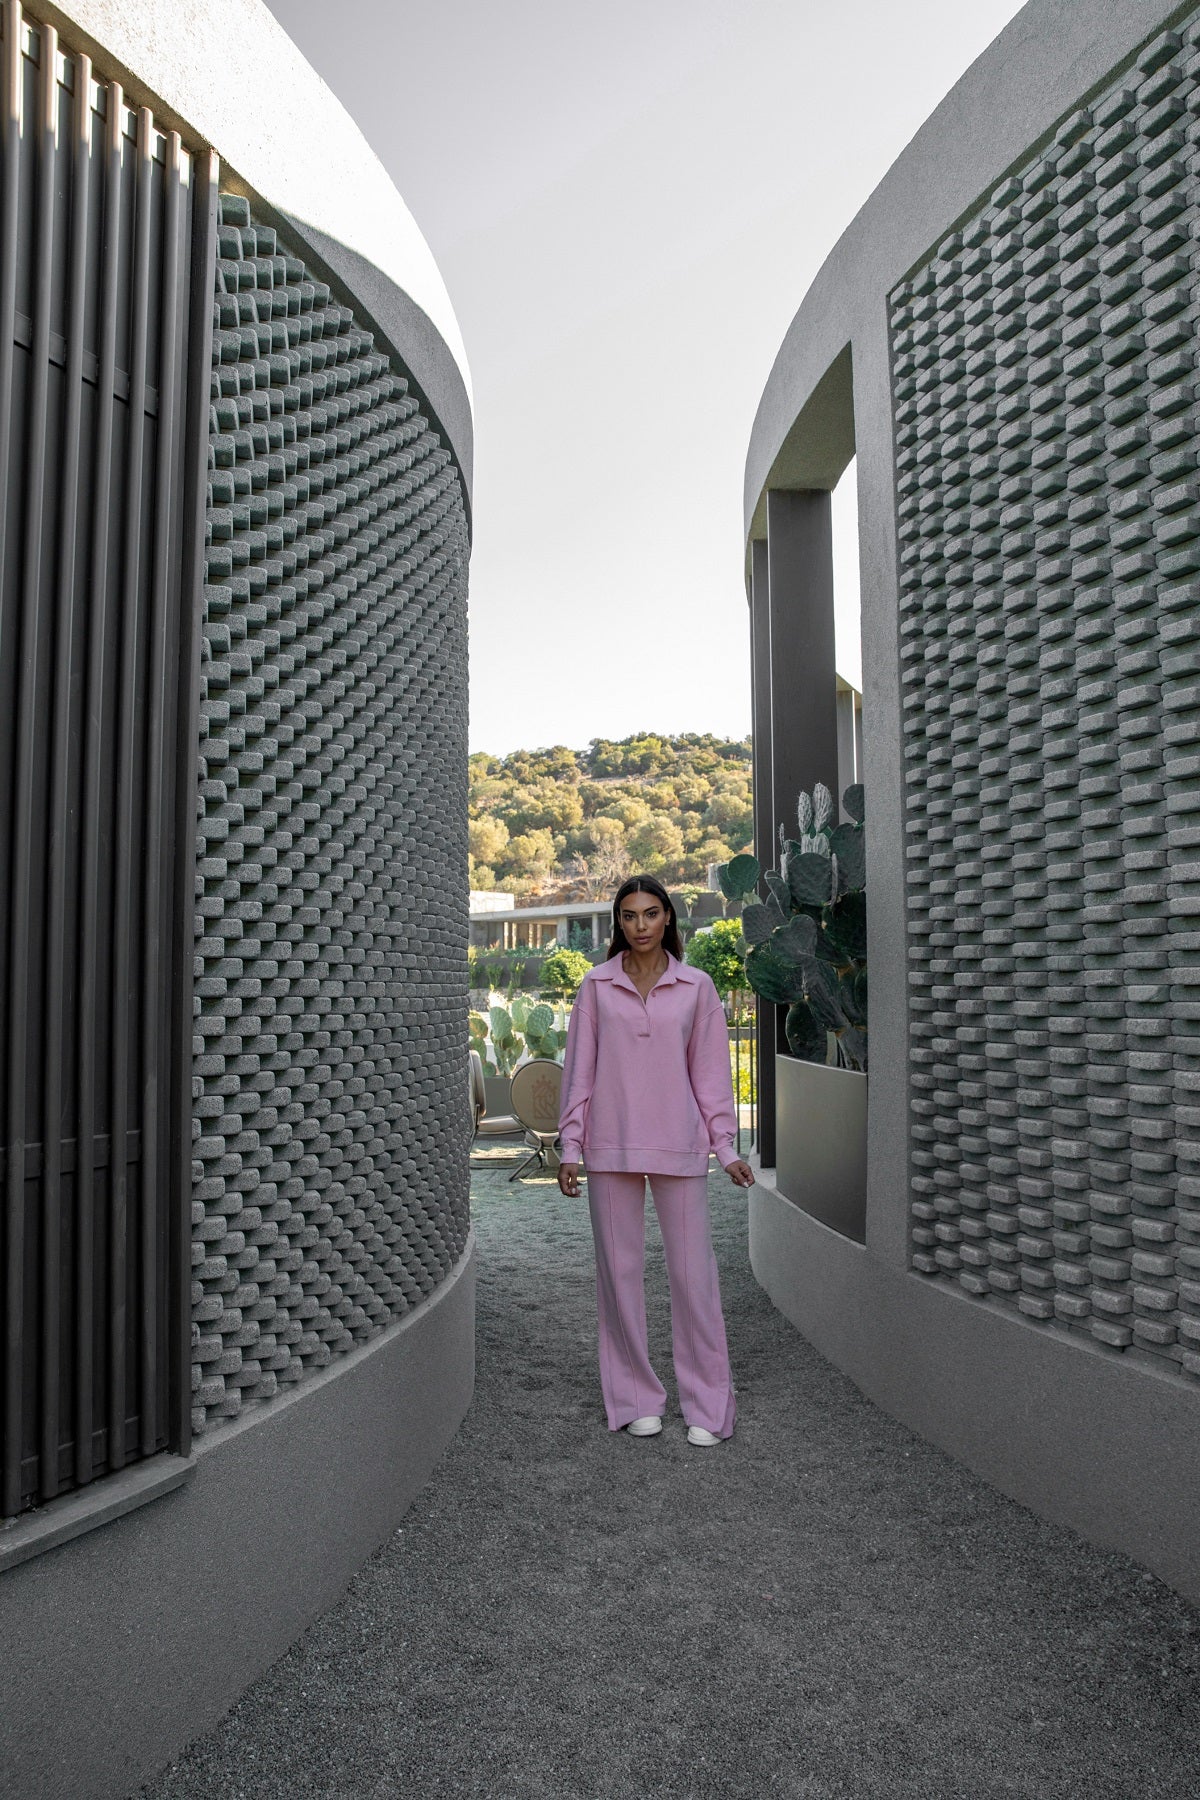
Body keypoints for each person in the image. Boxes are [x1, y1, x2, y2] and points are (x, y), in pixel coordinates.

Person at [557, 875, 754, 1446]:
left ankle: (708, 1406)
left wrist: (725, 1147)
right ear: (618, 923)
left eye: (649, 913)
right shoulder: (596, 985)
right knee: (618, 1278)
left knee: (694, 1279)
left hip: (680, 1143)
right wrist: (570, 1146)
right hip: (610, 1144)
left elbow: (711, 1076)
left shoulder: (697, 986)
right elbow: (579, 1072)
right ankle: (635, 1399)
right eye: (628, 916)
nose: (639, 925)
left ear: (667, 917)